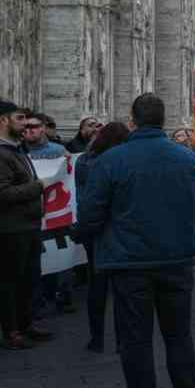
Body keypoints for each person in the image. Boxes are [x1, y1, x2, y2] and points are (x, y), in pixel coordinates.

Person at [80, 94, 195, 388]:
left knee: (136, 340)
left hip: (129, 264)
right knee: (179, 336)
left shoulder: (112, 160)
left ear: (132, 120)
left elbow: (91, 213)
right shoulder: (188, 159)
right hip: (177, 261)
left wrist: (88, 236)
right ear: (163, 120)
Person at [0, 100, 62, 350]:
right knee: (10, 280)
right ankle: (11, 331)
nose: (25, 123)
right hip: (11, 226)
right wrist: (39, 186)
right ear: (3, 121)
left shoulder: (15, 149)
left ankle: (26, 323)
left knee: (29, 278)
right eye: (19, 118)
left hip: (27, 224)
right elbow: (0, 193)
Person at [73, 121, 130, 352]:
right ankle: (120, 340)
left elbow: (84, 198)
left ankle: (97, 338)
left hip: (94, 229)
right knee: (120, 288)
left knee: (97, 285)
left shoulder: (85, 161)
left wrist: (83, 227)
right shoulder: (122, 161)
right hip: (118, 229)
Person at [23, 113, 73, 315]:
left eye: (33, 126)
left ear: (43, 128)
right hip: (35, 213)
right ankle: (40, 298)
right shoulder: (19, 151)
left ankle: (63, 295)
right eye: (25, 128)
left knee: (62, 252)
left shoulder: (59, 150)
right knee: (39, 257)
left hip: (58, 211)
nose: (29, 131)